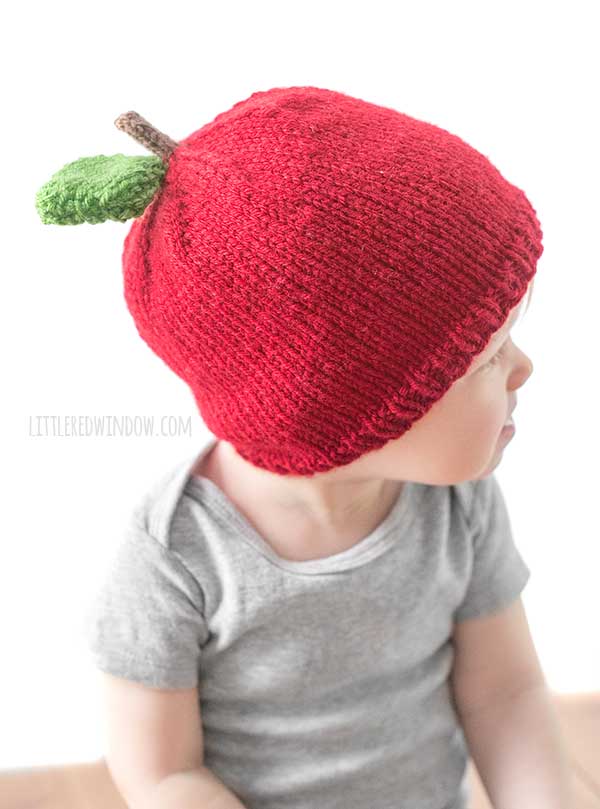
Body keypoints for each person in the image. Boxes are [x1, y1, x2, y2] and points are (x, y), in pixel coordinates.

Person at [35, 86, 572, 809]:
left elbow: (505, 695)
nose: (524, 367)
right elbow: (162, 774)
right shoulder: (176, 555)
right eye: (487, 357)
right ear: (346, 409)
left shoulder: (459, 509)